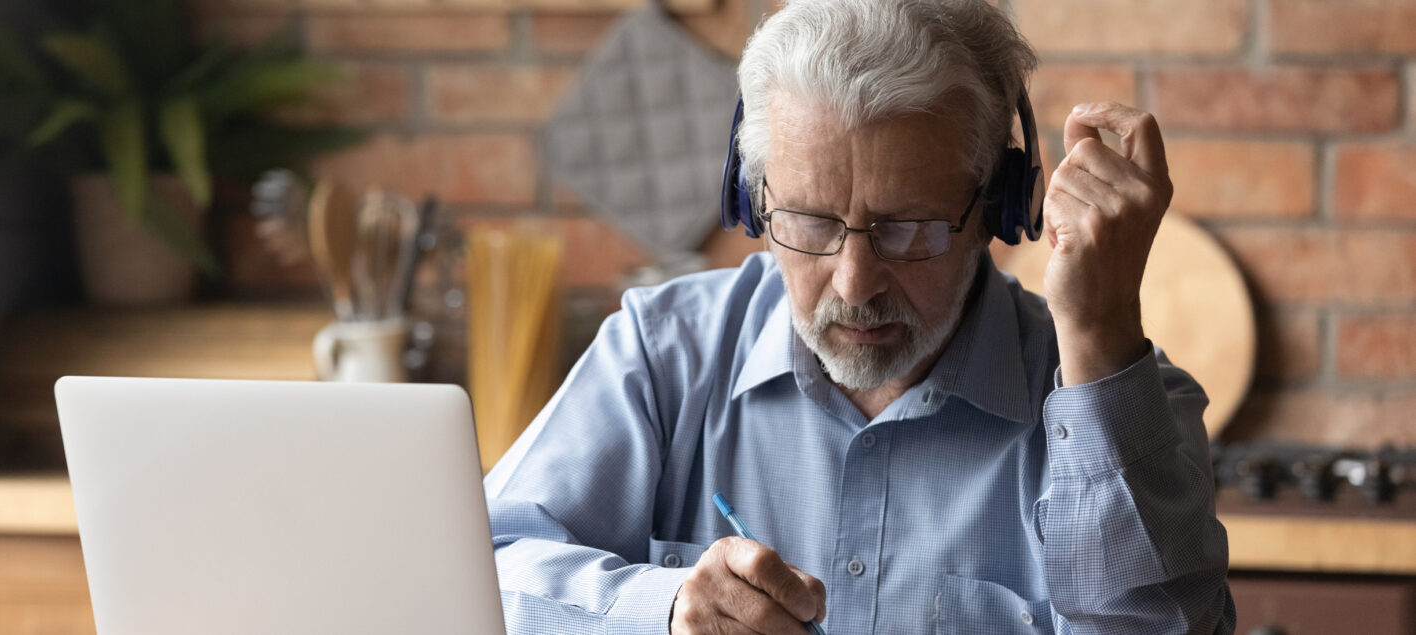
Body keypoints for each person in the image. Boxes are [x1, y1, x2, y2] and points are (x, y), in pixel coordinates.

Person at [484, 0, 1235, 633]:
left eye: (908, 227)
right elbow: (479, 568)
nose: (854, 281)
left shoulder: (1131, 409)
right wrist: (664, 606)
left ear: (997, 210)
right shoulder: (662, 356)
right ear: (753, 199)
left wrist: (1100, 329)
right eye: (808, 221)